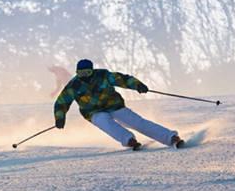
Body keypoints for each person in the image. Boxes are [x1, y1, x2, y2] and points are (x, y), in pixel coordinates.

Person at [54, 59, 184, 150]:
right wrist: (60, 118)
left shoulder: (103, 75)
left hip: (114, 105)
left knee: (136, 122)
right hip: (93, 112)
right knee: (104, 122)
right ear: (77, 72)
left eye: (87, 72)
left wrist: (138, 85)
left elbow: (122, 79)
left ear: (92, 71)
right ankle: (128, 140)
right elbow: (61, 102)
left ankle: (170, 137)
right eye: (81, 73)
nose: (84, 76)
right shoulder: (73, 85)